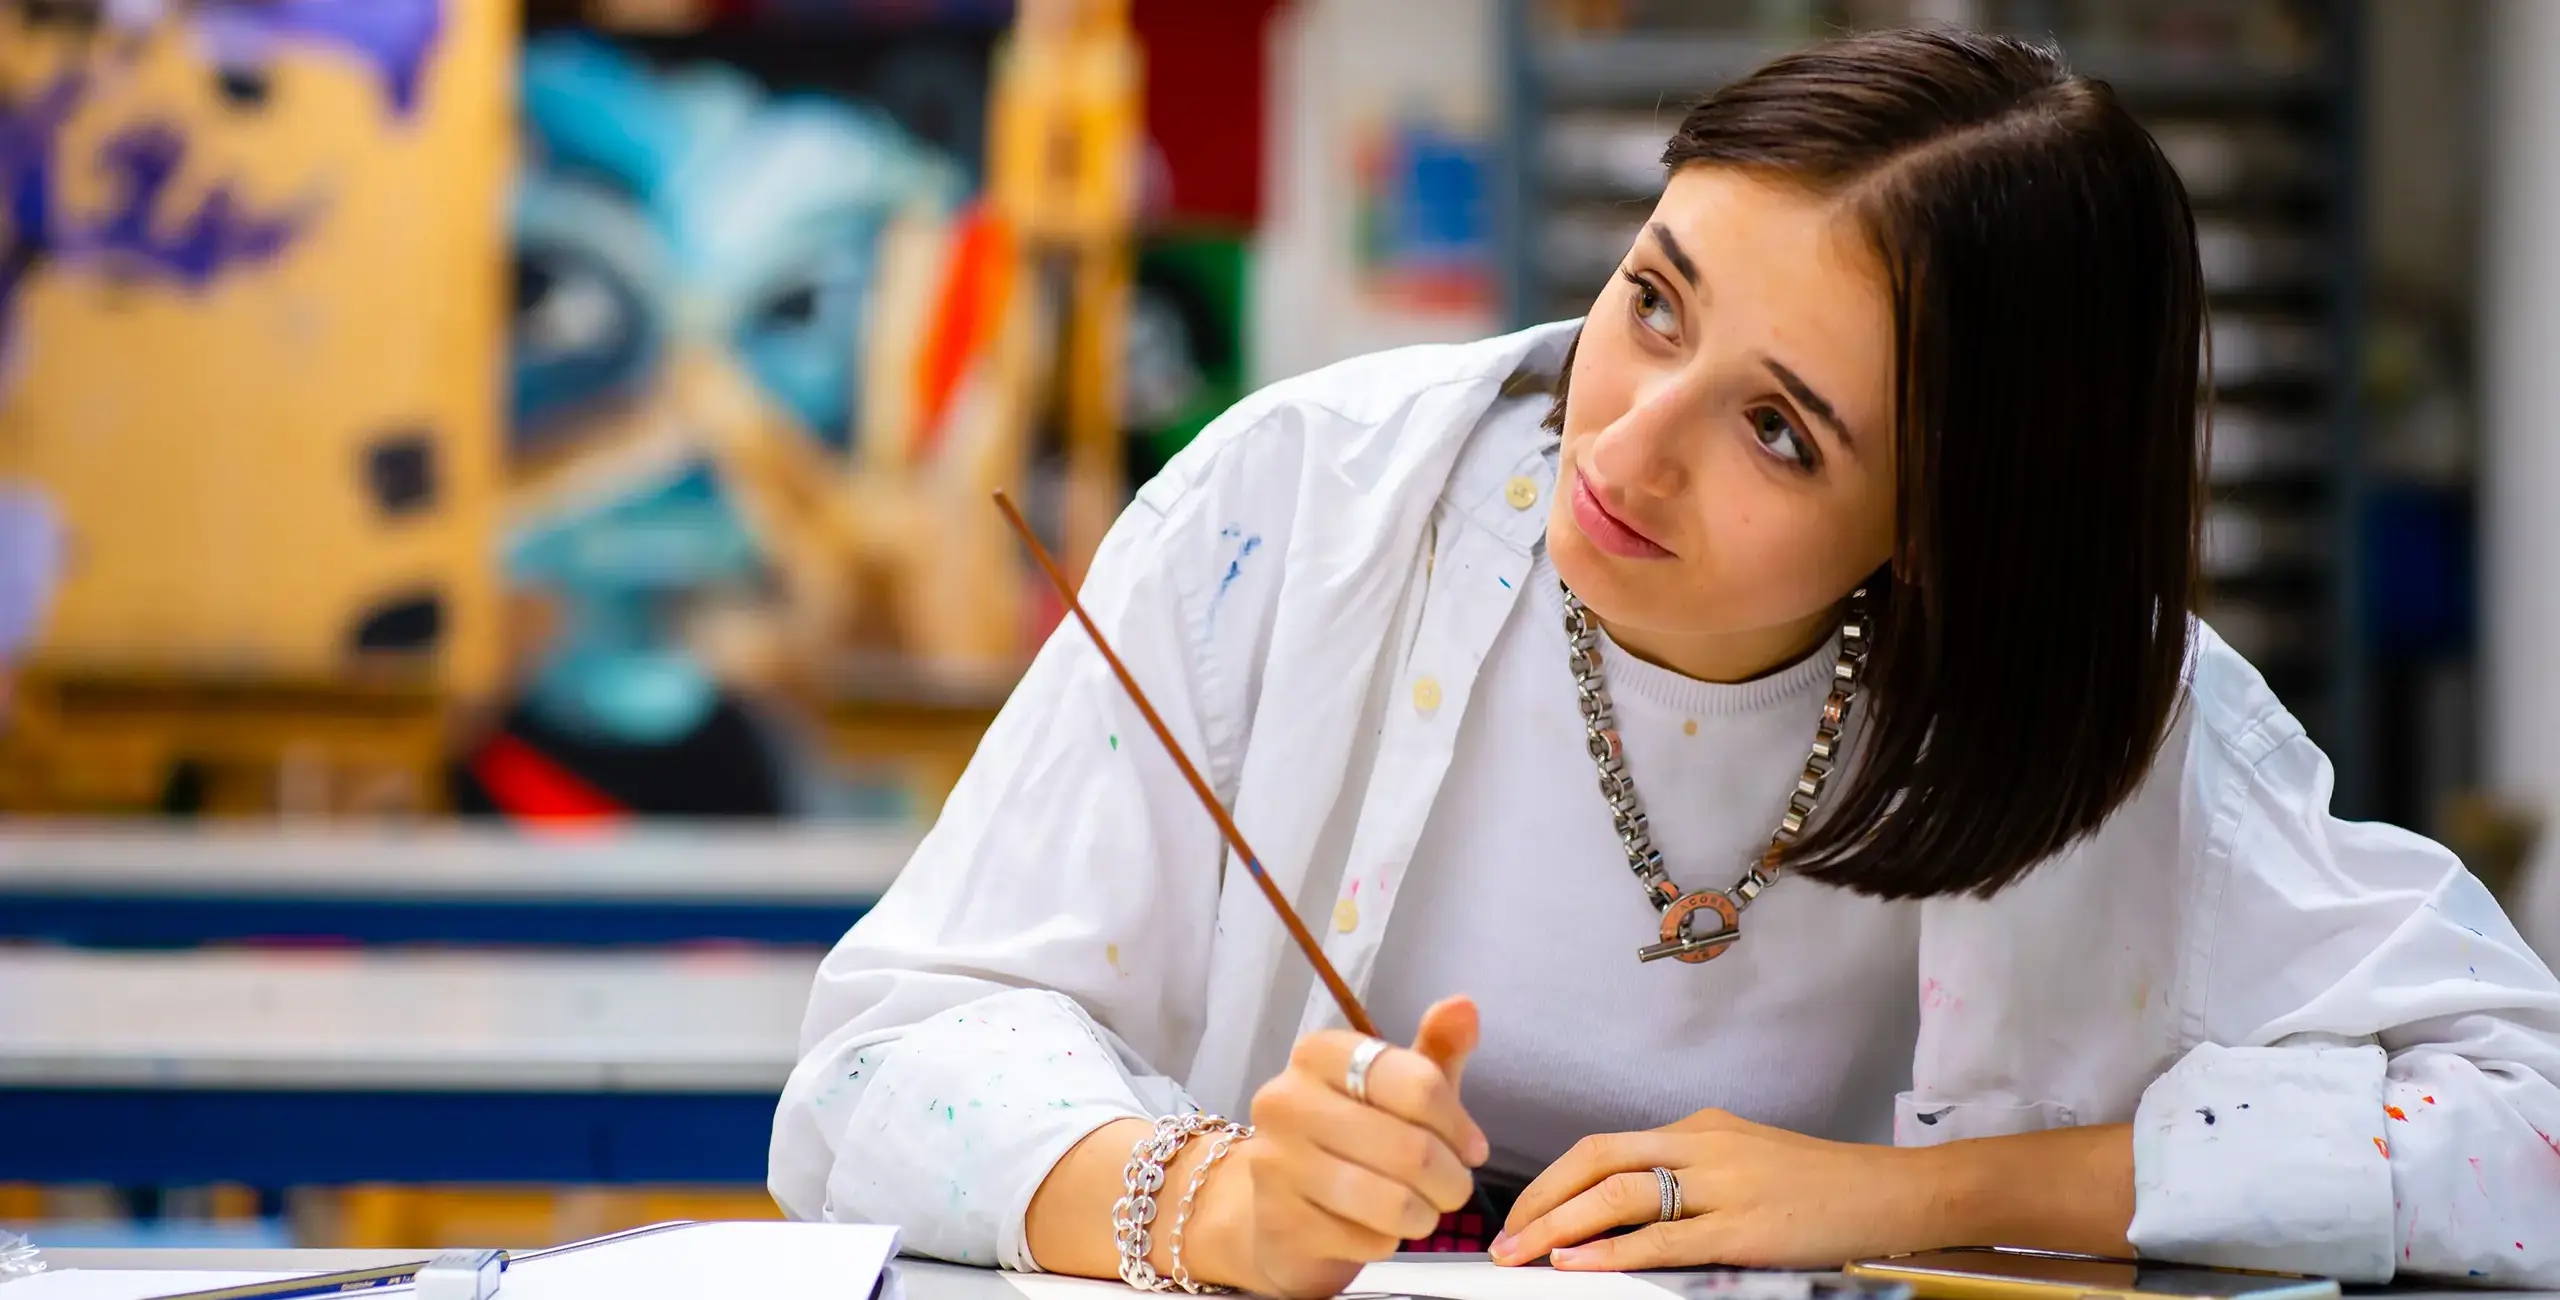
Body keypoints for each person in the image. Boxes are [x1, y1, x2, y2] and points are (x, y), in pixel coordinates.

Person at [769, 28, 2560, 1298]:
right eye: (1654, 302)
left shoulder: (2100, 710)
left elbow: (2523, 1138)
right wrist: (1208, 1201)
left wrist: (1900, 1199)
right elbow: (882, 1062)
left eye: (1783, 433)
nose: (1622, 449)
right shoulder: (1305, 506)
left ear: (1947, 525)